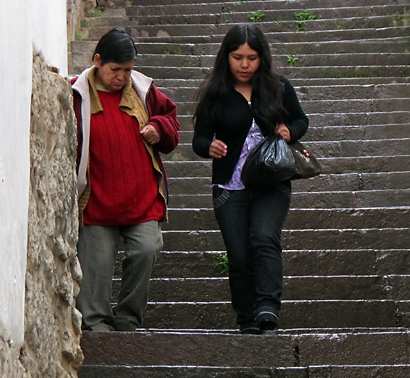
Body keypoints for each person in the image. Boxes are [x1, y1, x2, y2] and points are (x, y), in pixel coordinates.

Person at [192, 23, 309, 334]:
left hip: (272, 181)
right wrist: (210, 147)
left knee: (264, 238)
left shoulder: (278, 87)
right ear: (226, 57)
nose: (244, 65)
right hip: (229, 187)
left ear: (262, 58)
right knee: (240, 255)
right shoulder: (214, 93)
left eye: (252, 57)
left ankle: (268, 307)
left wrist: (288, 131)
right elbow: (199, 140)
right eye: (237, 57)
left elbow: (300, 120)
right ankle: (246, 318)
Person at [72, 28, 180, 331]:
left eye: (127, 70)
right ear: (97, 61)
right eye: (115, 69)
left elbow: (171, 122)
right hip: (96, 202)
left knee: (147, 249)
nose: (121, 77)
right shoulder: (76, 94)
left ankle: (128, 319)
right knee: (95, 268)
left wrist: (159, 127)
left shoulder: (144, 92)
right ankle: (97, 326)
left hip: (141, 199)